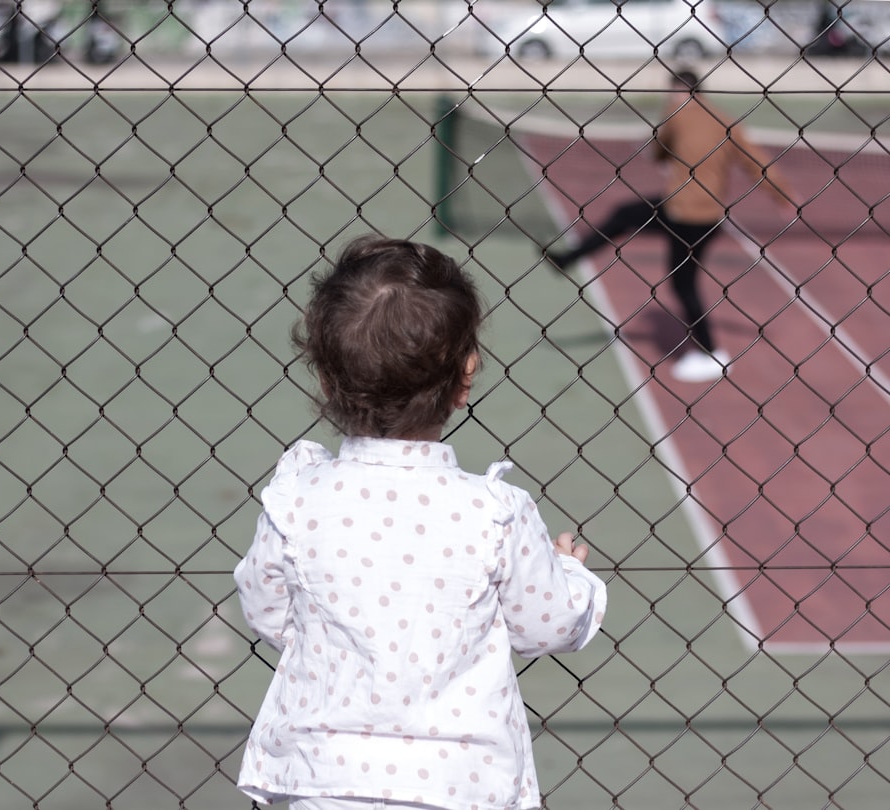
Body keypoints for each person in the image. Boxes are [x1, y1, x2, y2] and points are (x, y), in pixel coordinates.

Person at [234, 234, 608, 810]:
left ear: (327, 380)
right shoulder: (494, 513)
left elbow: (267, 609)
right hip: (459, 783)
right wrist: (572, 577)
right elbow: (546, 627)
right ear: (466, 375)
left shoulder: (298, 498)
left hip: (323, 777)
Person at [546, 69, 794, 383]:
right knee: (627, 217)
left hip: (683, 213)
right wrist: (782, 196)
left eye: (673, 93)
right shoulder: (726, 121)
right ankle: (568, 259)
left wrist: (667, 146)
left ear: (681, 92)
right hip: (707, 216)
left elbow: (659, 150)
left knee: (682, 282)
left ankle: (710, 352)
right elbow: (755, 161)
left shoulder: (676, 115)